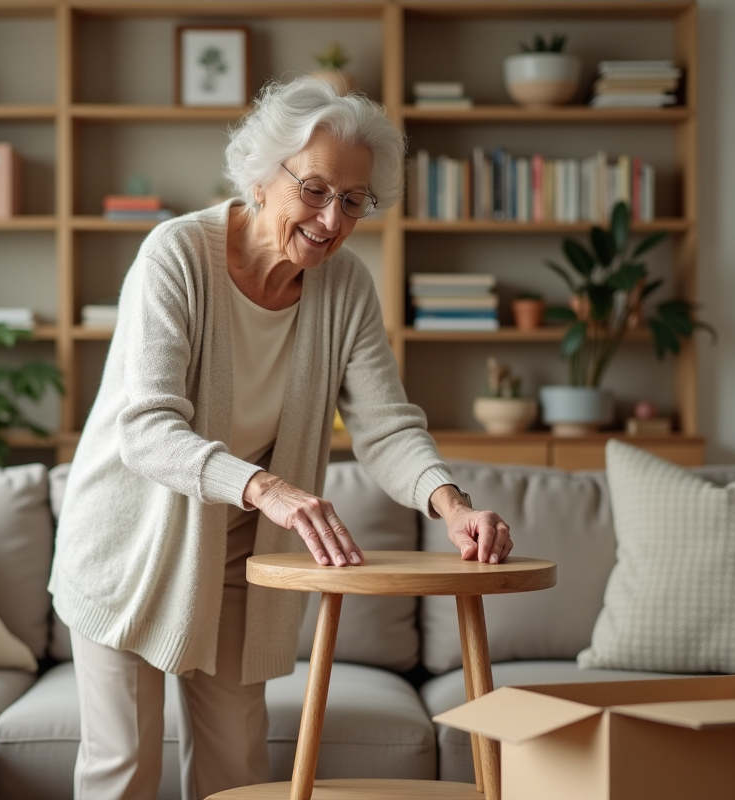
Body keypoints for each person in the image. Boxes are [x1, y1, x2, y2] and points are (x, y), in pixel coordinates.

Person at [48, 76, 512, 800]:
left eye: (354, 200)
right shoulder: (176, 255)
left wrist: (453, 507)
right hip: (128, 544)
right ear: (263, 176)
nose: (333, 219)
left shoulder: (346, 288)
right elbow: (146, 429)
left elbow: (386, 426)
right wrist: (268, 488)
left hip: (242, 556)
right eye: (318, 190)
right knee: (123, 773)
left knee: (237, 772)